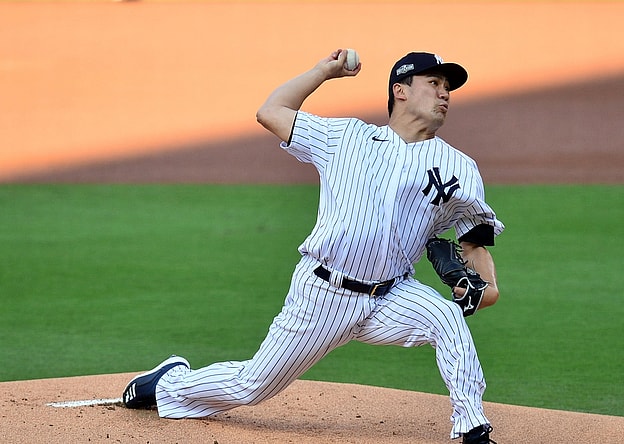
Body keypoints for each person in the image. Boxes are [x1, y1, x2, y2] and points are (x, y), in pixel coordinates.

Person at [122, 49, 504, 443]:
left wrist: (484, 288)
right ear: (400, 91)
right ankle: (172, 383)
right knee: (253, 386)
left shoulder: (460, 168)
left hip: (393, 294)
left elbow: (474, 242)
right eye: (434, 84)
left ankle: (472, 429)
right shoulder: (347, 138)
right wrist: (324, 72)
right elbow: (271, 112)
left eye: (448, 88)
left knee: (446, 319)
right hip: (323, 291)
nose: (445, 95)